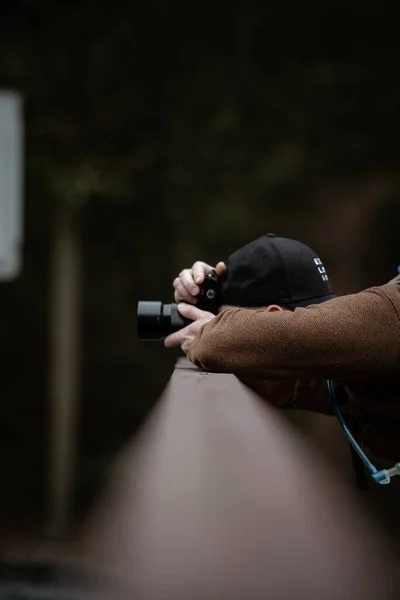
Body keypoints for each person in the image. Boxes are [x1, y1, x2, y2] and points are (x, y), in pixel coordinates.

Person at [165, 234, 400, 470]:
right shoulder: (356, 356)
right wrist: (204, 292)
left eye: (226, 317)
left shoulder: (389, 315)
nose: (218, 321)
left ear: (274, 317)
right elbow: (295, 384)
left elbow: (220, 343)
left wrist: (210, 332)